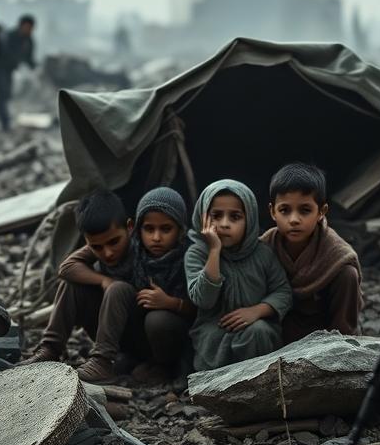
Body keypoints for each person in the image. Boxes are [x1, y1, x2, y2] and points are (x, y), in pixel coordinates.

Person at [21, 189, 135, 382]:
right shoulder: (100, 244)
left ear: (129, 228)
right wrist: (103, 280)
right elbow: (66, 267)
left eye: (114, 242)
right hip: (116, 333)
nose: (107, 253)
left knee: (118, 289)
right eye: (97, 247)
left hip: (144, 330)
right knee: (71, 284)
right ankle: (50, 349)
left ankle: (102, 362)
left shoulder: (146, 244)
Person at [185, 179, 292, 371]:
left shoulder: (262, 253)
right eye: (216, 216)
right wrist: (214, 251)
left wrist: (257, 311)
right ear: (203, 218)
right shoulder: (197, 253)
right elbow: (204, 300)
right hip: (214, 329)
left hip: (256, 329)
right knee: (212, 345)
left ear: (249, 219)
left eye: (235, 217)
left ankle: (259, 388)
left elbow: (282, 291)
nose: (224, 224)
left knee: (258, 332)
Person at [260, 162, 362, 341]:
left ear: (321, 212)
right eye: (285, 210)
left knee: (348, 274)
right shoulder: (264, 246)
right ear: (272, 212)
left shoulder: (336, 255)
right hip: (277, 331)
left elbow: (345, 321)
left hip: (324, 337)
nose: (294, 220)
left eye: (305, 210)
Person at [129, 186, 196, 382]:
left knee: (158, 320)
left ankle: (166, 367)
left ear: (180, 229)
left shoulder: (191, 255)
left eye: (166, 229)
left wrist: (170, 303)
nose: (156, 237)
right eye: (149, 229)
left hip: (183, 333)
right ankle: (134, 358)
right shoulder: (131, 251)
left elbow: (206, 310)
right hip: (144, 335)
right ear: (137, 228)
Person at [0, 14, 36, 132]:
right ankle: (5, 123)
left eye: (31, 28)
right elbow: (3, 51)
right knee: (3, 94)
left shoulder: (29, 41)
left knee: (4, 96)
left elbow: (29, 58)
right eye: (27, 27)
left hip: (8, 71)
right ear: (21, 25)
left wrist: (35, 67)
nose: (29, 30)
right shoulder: (9, 36)